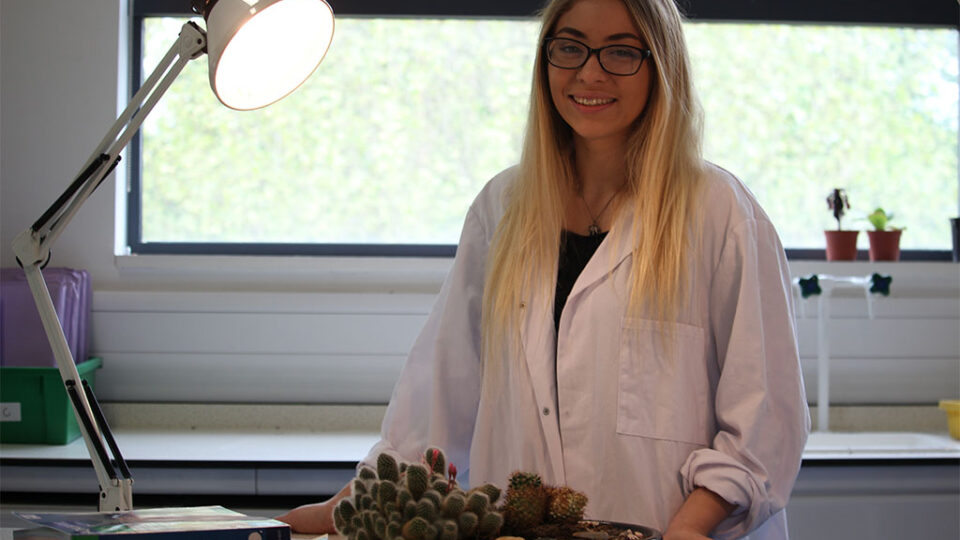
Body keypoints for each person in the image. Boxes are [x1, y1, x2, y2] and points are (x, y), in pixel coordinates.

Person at [278, 0, 809, 538]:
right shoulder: (502, 207)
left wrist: (689, 528)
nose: (590, 72)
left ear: (661, 64)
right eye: (570, 47)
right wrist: (347, 508)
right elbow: (439, 400)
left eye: (621, 52)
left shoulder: (720, 214)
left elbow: (765, 421)